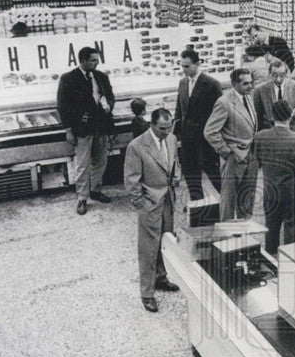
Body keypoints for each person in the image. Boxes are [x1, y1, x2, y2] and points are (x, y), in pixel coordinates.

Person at [124, 108, 181, 313]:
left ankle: (161, 278)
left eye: (169, 127)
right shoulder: (137, 146)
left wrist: (176, 177)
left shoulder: (172, 139)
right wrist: (142, 204)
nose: (166, 132)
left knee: (164, 242)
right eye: (162, 129)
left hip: (167, 200)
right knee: (148, 248)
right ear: (152, 125)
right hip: (150, 202)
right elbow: (131, 180)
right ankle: (147, 293)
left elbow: (175, 162)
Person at [253, 59, 295, 228]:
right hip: (271, 140)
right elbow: (257, 118)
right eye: (274, 75)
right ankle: (274, 215)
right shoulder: (260, 90)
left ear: (288, 74)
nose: (278, 79)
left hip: (292, 138)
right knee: (273, 179)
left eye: (282, 75)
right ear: (269, 74)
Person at [57, 47, 115, 215]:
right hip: (81, 128)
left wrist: (108, 106)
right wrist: (68, 130)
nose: (97, 63)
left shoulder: (101, 77)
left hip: (101, 125)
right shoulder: (68, 78)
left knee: (100, 161)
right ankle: (82, 198)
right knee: (82, 164)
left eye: (97, 60)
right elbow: (62, 106)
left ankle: (95, 191)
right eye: (93, 60)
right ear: (82, 60)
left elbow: (110, 96)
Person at [253, 100, 295, 255]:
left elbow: (258, 160)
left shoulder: (260, 137)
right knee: (291, 226)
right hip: (293, 193)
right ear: (290, 116)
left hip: (271, 191)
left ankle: (270, 259)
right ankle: (290, 259)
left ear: (272, 116)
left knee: (271, 227)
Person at [204, 68, 258, 221]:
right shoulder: (224, 103)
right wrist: (226, 152)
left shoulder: (249, 98)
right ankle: (227, 238)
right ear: (234, 84)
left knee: (247, 199)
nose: (250, 86)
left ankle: (244, 232)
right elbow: (209, 131)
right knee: (229, 200)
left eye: (251, 82)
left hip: (251, 156)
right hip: (233, 158)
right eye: (246, 83)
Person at [174, 48, 223, 201]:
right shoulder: (182, 83)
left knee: (212, 169)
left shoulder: (211, 84)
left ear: (197, 64)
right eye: (182, 66)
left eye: (187, 66)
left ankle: (229, 199)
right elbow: (179, 108)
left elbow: (219, 111)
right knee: (190, 171)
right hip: (187, 138)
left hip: (205, 137)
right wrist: (176, 131)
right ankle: (197, 202)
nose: (184, 69)